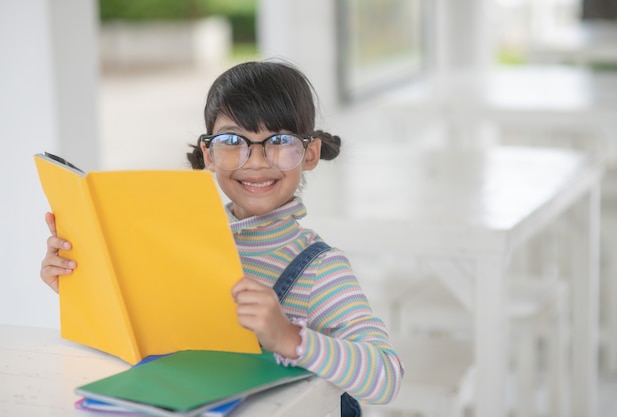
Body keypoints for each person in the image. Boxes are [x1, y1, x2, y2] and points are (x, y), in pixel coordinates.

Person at [40, 60, 404, 415]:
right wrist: (85, 284)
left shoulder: (320, 268)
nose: (256, 161)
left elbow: (386, 376)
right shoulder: (180, 248)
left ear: (308, 154)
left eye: (279, 140)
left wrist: (289, 337)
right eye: (233, 141)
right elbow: (153, 337)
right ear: (209, 155)